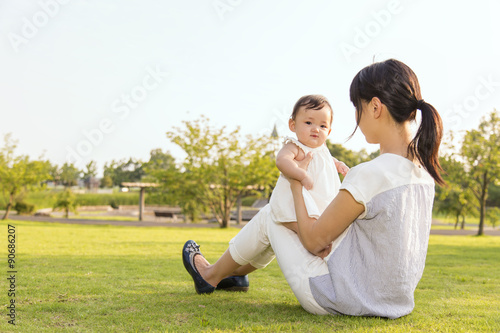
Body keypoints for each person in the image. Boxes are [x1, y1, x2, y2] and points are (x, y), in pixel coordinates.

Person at [182, 59, 444, 319]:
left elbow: (313, 241)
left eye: (357, 107)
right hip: (392, 301)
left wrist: (296, 183)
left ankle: (211, 274)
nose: (356, 116)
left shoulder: (371, 173)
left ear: (375, 107)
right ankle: (232, 273)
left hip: (340, 298)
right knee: (282, 215)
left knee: (275, 212)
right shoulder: (423, 176)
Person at [269, 94, 349, 227]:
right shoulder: (296, 146)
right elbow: (282, 160)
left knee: (325, 219)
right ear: (292, 125)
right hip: (298, 203)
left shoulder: (322, 148)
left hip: (322, 197)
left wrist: (338, 164)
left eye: (323, 126)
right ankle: (306, 235)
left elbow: (328, 159)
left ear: (329, 131)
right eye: (308, 123)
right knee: (301, 222)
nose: (316, 129)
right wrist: (302, 175)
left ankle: (321, 236)